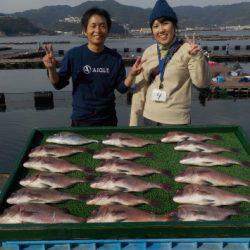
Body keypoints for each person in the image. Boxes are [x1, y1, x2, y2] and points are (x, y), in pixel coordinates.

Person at [43, 7, 144, 127]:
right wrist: (51, 69)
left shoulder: (115, 58)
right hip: (81, 120)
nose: (98, 30)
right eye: (93, 26)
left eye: (102, 26)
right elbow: (58, 84)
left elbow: (121, 88)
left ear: (107, 30)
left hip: (108, 119)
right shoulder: (74, 55)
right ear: (85, 31)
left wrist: (132, 74)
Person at [129, 0, 210, 126]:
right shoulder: (149, 52)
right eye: (155, 26)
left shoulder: (188, 50)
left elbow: (202, 83)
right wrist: (133, 124)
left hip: (177, 122)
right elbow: (140, 89)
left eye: (165, 23)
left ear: (174, 26)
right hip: (149, 118)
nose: (160, 30)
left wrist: (198, 57)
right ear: (152, 30)